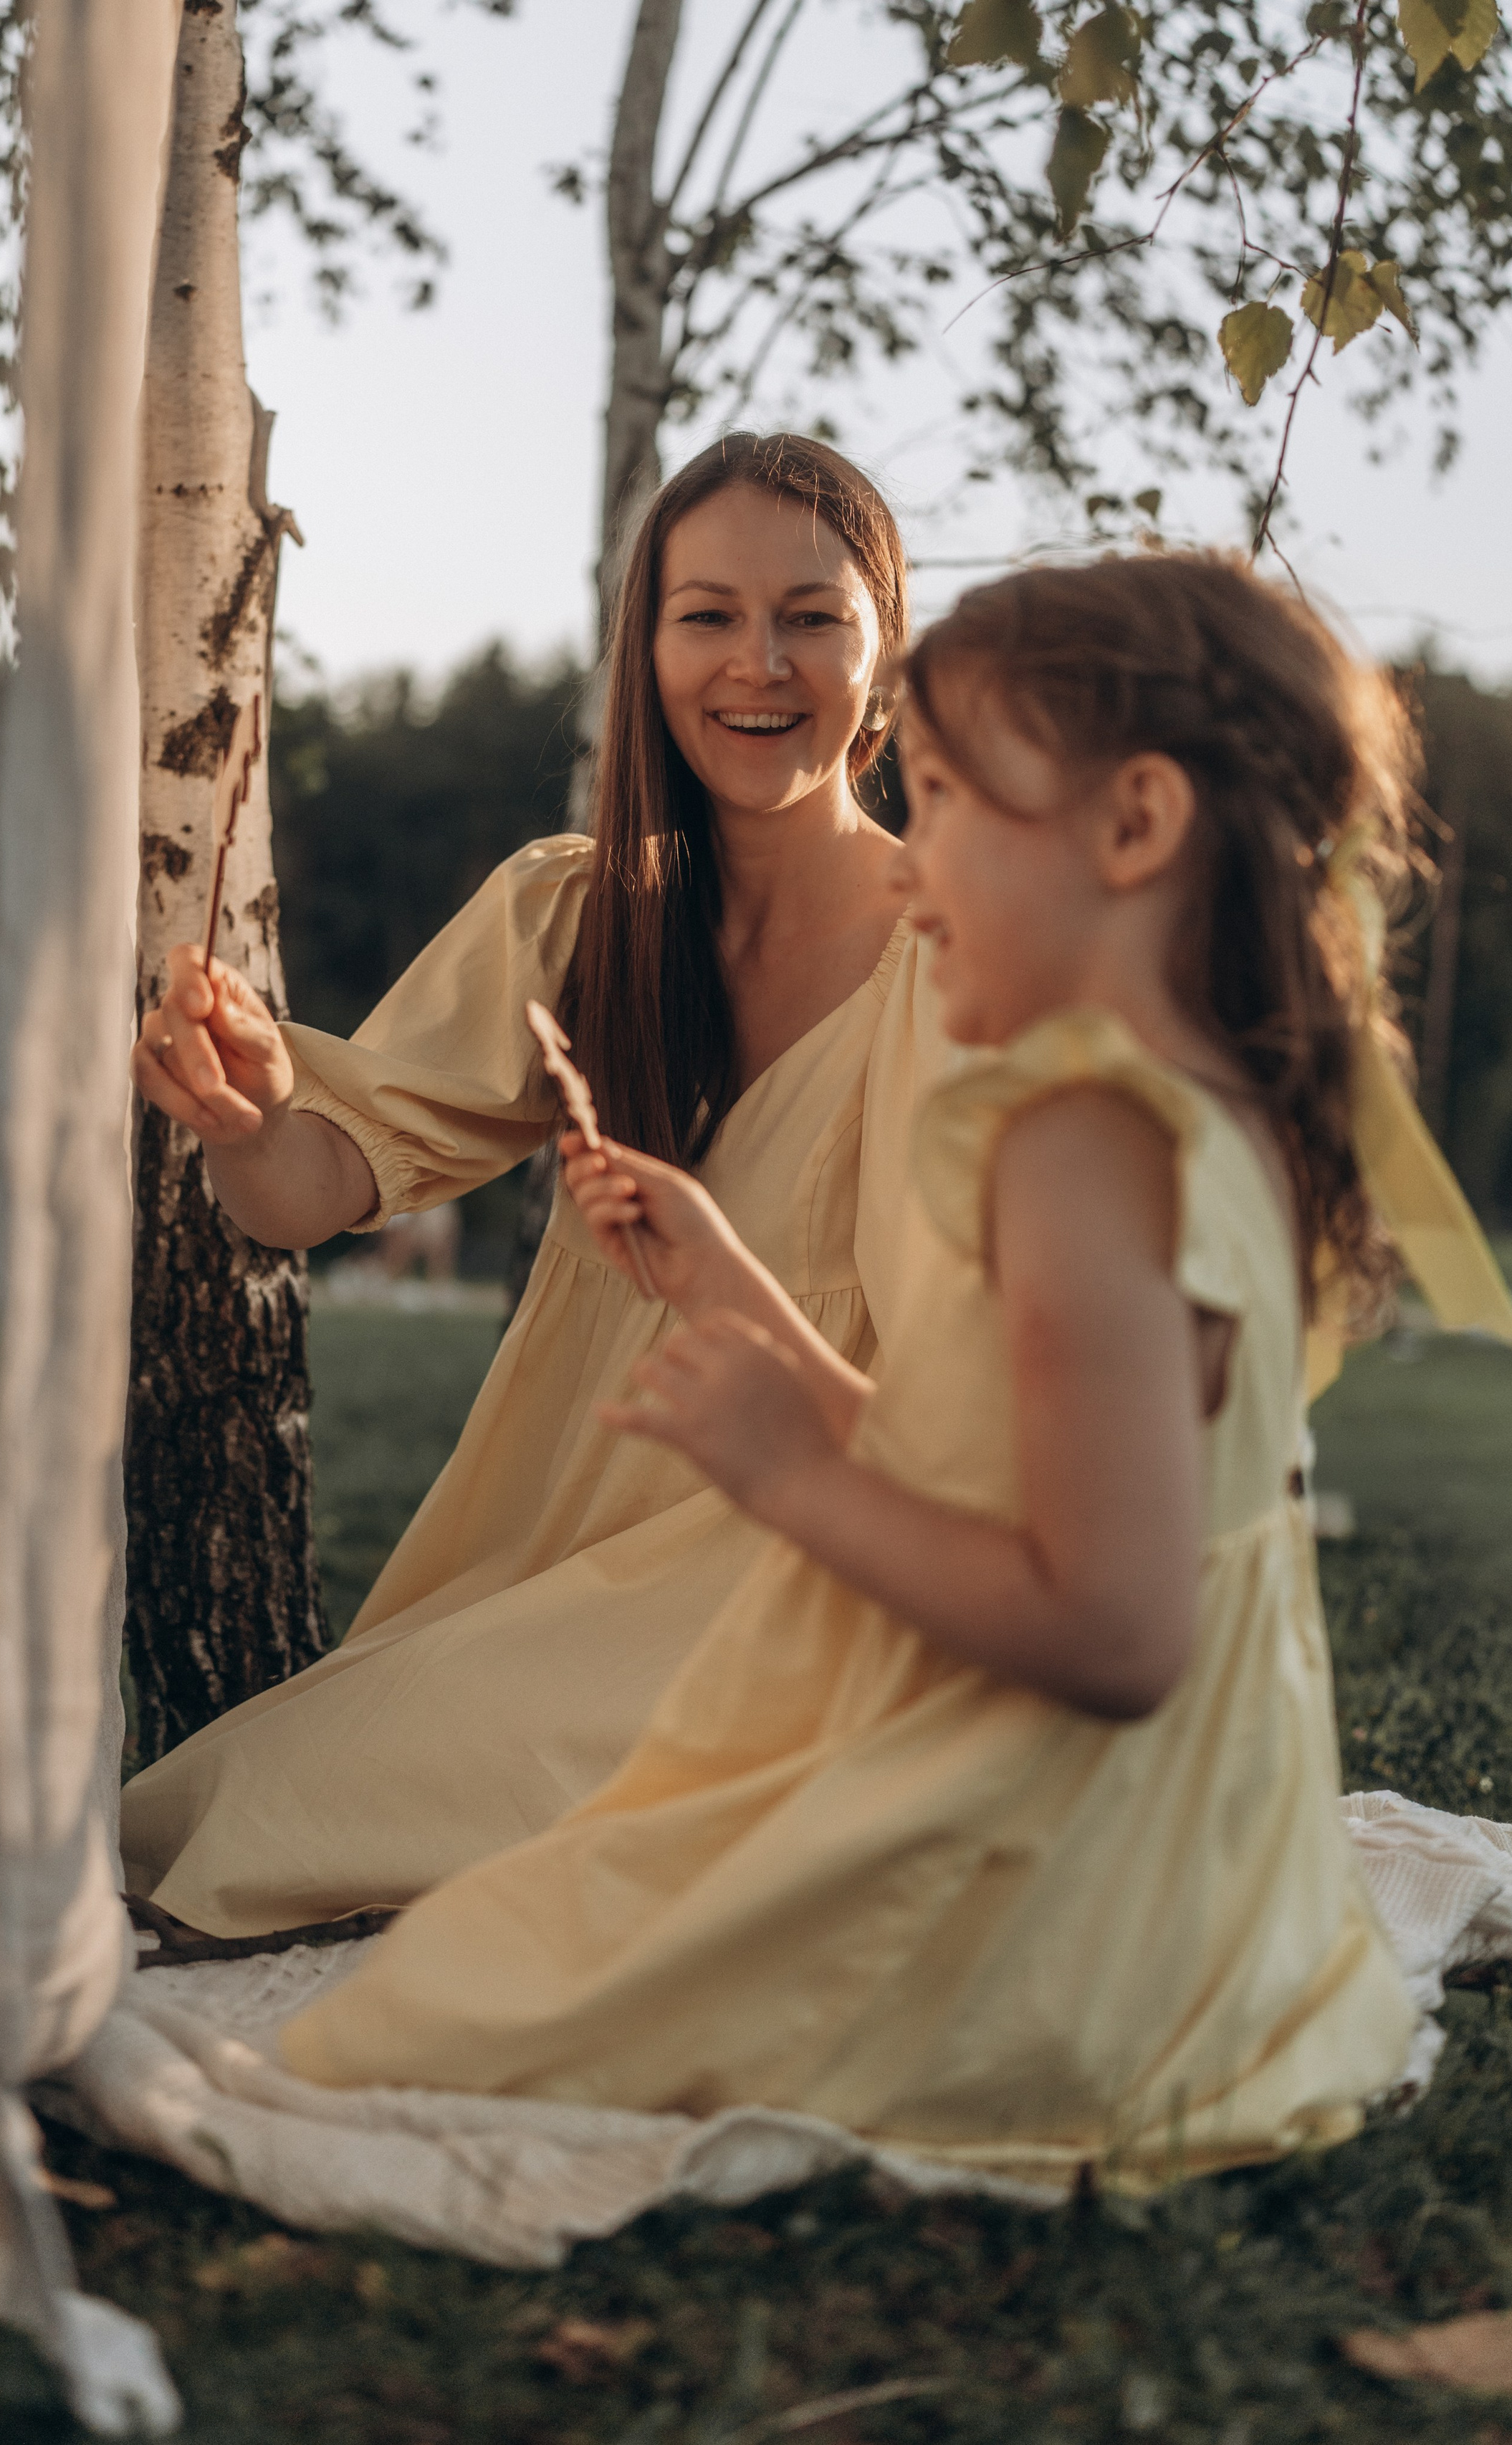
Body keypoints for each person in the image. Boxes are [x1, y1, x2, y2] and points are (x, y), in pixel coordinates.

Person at [276, 551, 1430, 2186]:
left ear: (1133, 826)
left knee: (515, 1991)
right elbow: (971, 1454)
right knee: (576, 1929)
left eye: (950, 799)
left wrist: (794, 1479)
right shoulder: (1191, 1112)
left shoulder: (1077, 1149)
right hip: (1197, 1858)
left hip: (1084, 1883)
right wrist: (729, 1281)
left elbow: (1111, 1632)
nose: (910, 859)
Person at [119, 432, 935, 1935]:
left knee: (323, 1826)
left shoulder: (962, 955)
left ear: (882, 648)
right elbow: (306, 1190)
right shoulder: (577, 911)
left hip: (827, 1554)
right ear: (645, 646)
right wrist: (246, 1118)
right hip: (563, 1546)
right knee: (245, 1793)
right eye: (706, 615)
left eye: (810, 615)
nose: (757, 661)